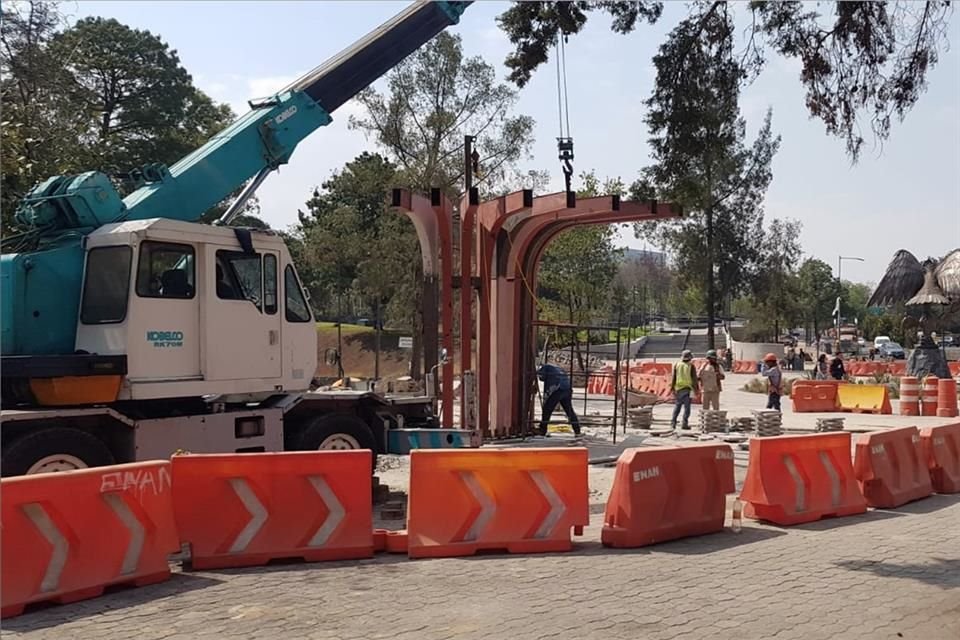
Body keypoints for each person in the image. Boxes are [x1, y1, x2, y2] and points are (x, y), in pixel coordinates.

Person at [536, 363, 581, 437]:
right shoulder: (557, 368)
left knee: (547, 409)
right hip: (567, 388)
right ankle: (577, 430)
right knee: (569, 410)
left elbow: (542, 378)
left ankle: (542, 430)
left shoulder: (545, 368)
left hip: (557, 388)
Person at [670, 349, 700, 430]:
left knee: (677, 406)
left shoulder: (677, 365)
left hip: (678, 389)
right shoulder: (691, 366)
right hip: (688, 389)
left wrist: (672, 388)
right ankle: (684, 423)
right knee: (687, 407)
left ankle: (673, 423)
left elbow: (673, 377)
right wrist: (696, 389)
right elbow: (694, 379)